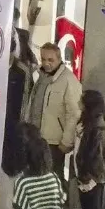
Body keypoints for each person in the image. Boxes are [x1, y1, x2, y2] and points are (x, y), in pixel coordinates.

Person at [26, 41, 82, 175]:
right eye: (44, 59)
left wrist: (66, 141)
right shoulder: (41, 76)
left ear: (59, 59)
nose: (46, 63)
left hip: (54, 142)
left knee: (53, 177)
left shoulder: (68, 80)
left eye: (51, 60)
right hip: (36, 137)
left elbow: (74, 113)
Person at [72, 90, 105, 209]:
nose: (78, 103)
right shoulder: (87, 123)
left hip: (92, 182)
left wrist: (89, 182)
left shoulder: (99, 132)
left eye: (81, 101)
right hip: (85, 178)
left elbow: (98, 162)